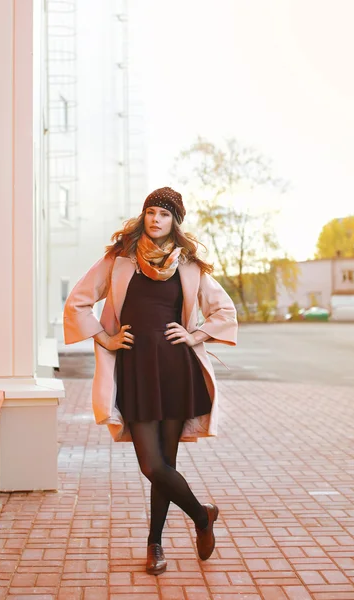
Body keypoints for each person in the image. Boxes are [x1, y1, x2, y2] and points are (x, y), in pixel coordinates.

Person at [63, 187, 237, 575]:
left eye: (164, 214)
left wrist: (195, 335)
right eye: (151, 212)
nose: (155, 219)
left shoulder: (190, 266)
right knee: (152, 465)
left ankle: (154, 544)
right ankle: (202, 515)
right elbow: (78, 299)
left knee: (166, 463)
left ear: (175, 222)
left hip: (176, 371)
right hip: (136, 371)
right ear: (143, 216)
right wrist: (105, 337)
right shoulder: (119, 259)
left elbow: (224, 309)